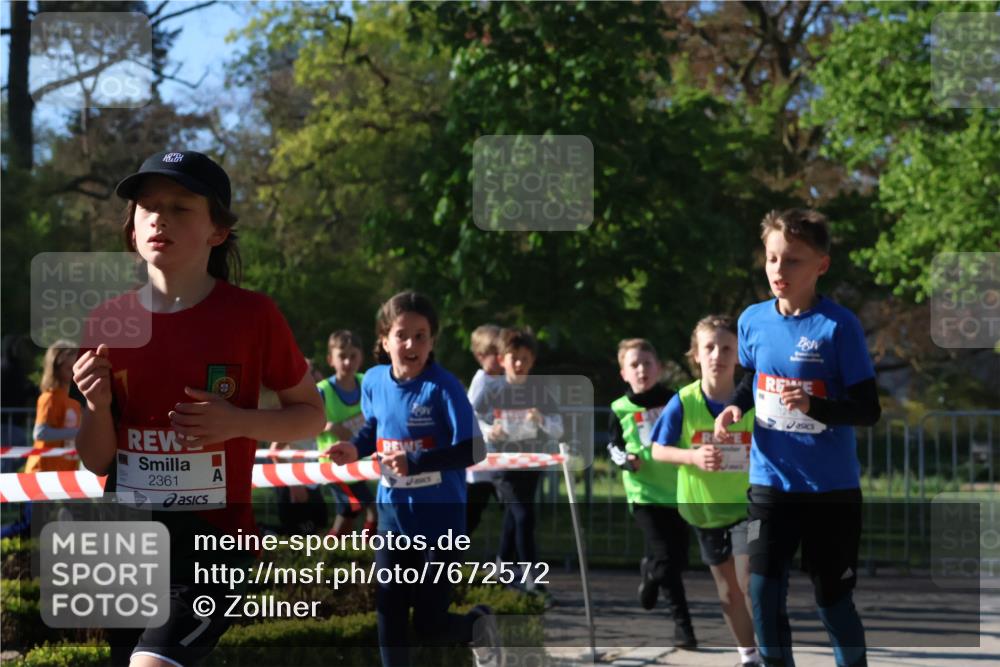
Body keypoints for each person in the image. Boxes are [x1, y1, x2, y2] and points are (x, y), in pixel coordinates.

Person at [72, 150, 325, 667]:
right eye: (147, 208)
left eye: (180, 207)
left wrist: (239, 423)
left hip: (215, 543)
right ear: (132, 228)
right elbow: (98, 461)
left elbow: (312, 415)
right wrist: (97, 408)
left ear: (218, 231)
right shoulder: (106, 322)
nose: (159, 217)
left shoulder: (252, 316)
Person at [714, 209, 881, 667]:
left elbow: (868, 410)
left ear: (820, 266)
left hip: (831, 490)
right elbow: (752, 379)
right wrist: (737, 405)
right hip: (769, 485)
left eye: (792, 261)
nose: (778, 271)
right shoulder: (751, 320)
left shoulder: (838, 326)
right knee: (762, 593)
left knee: (832, 600)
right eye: (771, 258)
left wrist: (816, 407)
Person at [322, 291, 501, 667]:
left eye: (421, 336)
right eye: (402, 335)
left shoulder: (443, 386)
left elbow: (474, 450)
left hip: (440, 522)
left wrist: (415, 461)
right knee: (389, 608)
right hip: (393, 518)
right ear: (385, 340)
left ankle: (477, 625)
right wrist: (354, 448)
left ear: (432, 341)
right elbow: (374, 426)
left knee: (430, 623)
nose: (411, 344)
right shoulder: (373, 381)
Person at [650, 316, 763, 666]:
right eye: (709, 347)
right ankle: (748, 655)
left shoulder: (754, 399)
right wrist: (693, 456)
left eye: (726, 347)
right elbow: (657, 450)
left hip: (749, 508)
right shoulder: (683, 402)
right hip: (705, 511)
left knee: (750, 583)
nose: (718, 354)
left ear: (738, 355)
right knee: (728, 590)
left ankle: (769, 650)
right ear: (695, 355)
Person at [607, 338, 695, 648]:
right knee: (668, 560)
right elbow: (613, 447)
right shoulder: (619, 408)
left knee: (678, 559)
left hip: (678, 490)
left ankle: (651, 573)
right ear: (624, 373)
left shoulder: (676, 401)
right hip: (644, 495)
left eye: (647, 363)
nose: (641, 370)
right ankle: (684, 628)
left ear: (658, 368)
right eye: (634, 365)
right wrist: (626, 461)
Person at [472, 327, 562, 595]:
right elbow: (471, 417)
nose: (519, 364)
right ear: (502, 360)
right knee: (524, 515)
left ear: (532, 360)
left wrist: (542, 420)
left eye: (525, 358)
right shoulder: (493, 391)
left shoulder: (539, 392)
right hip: (502, 466)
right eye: (514, 358)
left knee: (515, 515)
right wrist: (490, 431)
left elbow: (558, 427)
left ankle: (501, 566)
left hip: (531, 465)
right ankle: (533, 578)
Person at [316, 329, 377, 536]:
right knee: (371, 510)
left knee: (348, 518)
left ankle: (338, 559)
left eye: (353, 356)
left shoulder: (367, 383)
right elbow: (306, 421)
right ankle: (366, 557)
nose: (348, 362)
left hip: (359, 463)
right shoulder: (322, 390)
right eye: (342, 357)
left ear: (361, 357)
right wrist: (330, 426)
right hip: (335, 466)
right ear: (330, 359)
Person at [465, 324, 505, 535]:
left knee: (511, 509)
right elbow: (469, 416)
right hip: (481, 464)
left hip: (501, 460)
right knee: (470, 515)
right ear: (481, 356)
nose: (501, 358)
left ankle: (511, 560)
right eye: (495, 353)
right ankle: (445, 558)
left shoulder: (505, 379)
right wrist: (489, 431)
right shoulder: (482, 381)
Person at [25, 340, 81, 473]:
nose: (74, 373)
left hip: (67, 470)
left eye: (76, 368)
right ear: (56, 368)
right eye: (69, 368)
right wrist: (80, 432)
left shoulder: (75, 399)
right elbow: (40, 433)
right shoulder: (49, 398)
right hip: (43, 472)